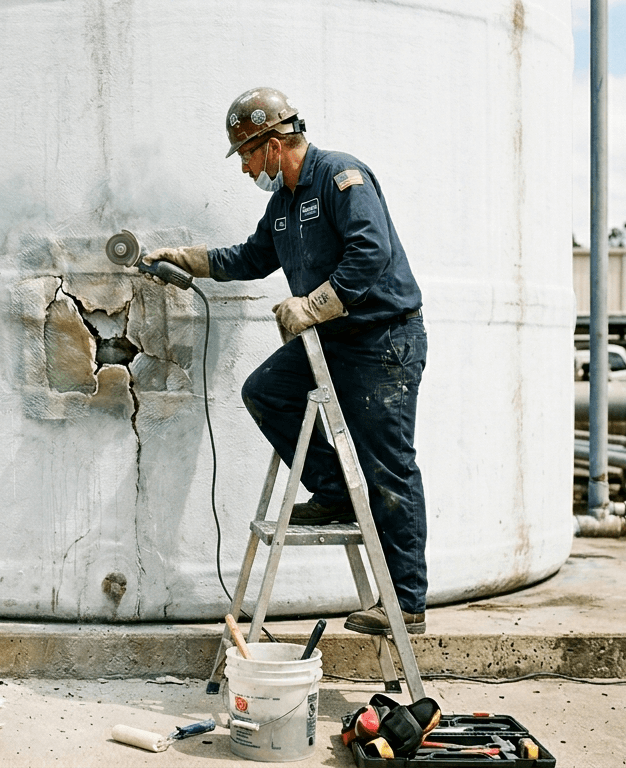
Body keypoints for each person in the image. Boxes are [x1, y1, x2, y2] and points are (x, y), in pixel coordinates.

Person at [143, 88, 429, 635]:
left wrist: (314, 304)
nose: (246, 169)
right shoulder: (284, 205)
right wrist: (184, 260)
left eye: (247, 156)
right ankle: (334, 492)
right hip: (334, 340)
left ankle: (407, 604)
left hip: (382, 341)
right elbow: (250, 258)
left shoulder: (342, 176)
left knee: (389, 467)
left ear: (273, 145)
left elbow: (371, 253)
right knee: (267, 391)